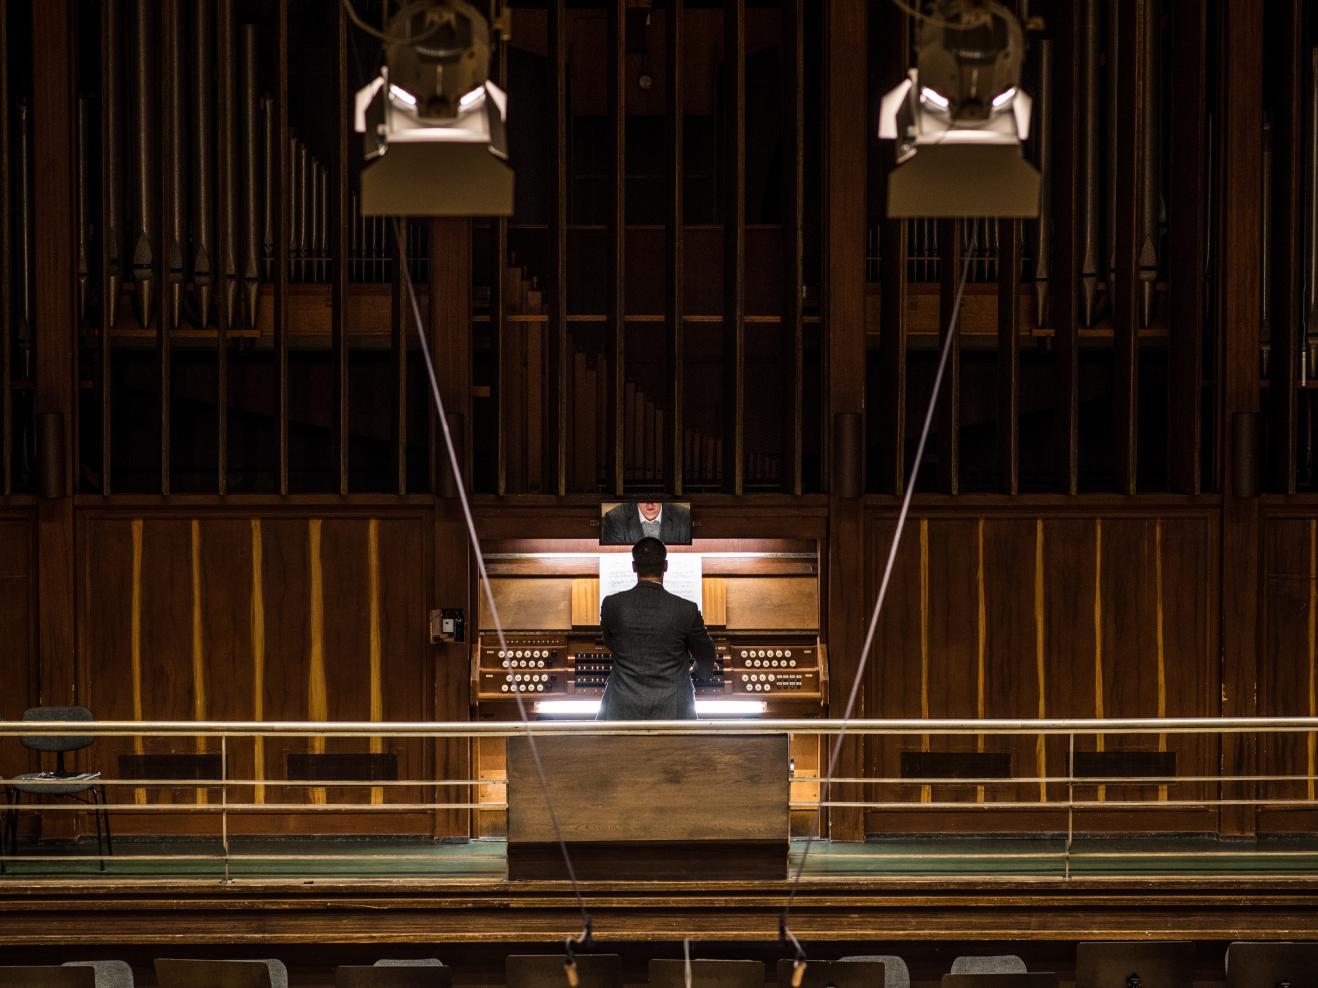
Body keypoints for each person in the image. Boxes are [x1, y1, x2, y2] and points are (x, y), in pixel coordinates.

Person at [597, 537, 717, 720]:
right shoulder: (686, 609)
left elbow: (610, 642)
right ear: (666, 566)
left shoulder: (612, 604)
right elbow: (705, 652)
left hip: (622, 706)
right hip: (673, 710)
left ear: (634, 566)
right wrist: (701, 672)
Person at [600, 500, 692, 545]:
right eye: (643, 498)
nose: (649, 504)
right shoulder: (615, 518)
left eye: (655, 497)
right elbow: (616, 560)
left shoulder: (684, 517)